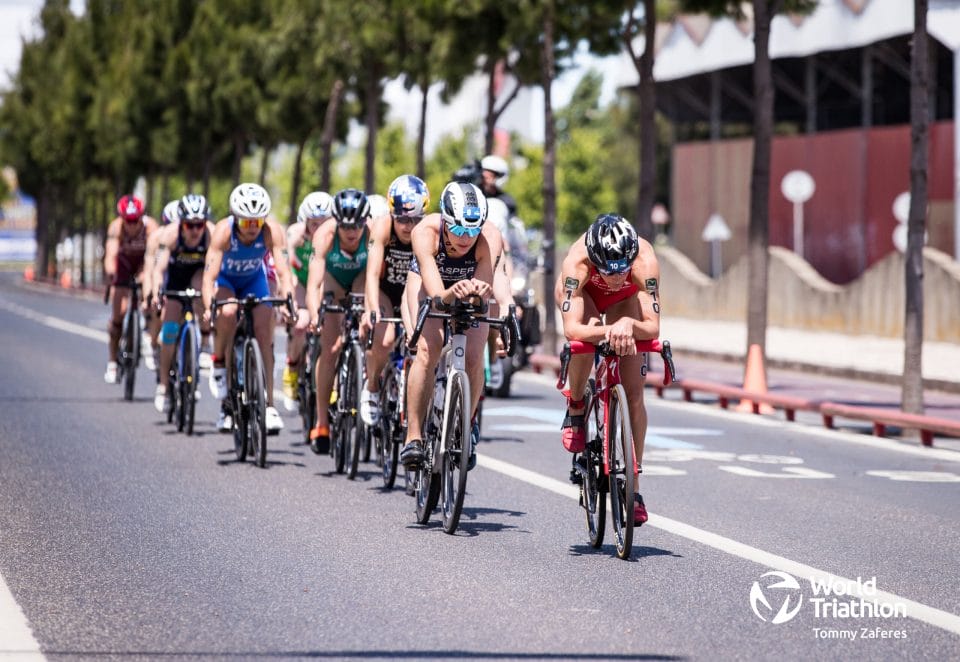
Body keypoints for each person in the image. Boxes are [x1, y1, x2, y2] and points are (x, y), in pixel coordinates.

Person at [554, 214, 660, 526]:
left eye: (621, 270)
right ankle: (575, 404)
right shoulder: (577, 263)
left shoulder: (645, 261)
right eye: (607, 270)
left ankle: (635, 489)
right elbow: (573, 329)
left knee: (635, 395)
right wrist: (609, 332)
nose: (614, 276)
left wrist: (628, 324)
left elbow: (652, 327)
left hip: (624, 303)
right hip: (585, 296)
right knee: (583, 342)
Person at [398, 181, 509, 471]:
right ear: (445, 222)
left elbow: (483, 291)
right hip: (429, 284)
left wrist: (480, 299)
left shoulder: (489, 237)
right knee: (427, 351)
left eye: (472, 231)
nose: (465, 238)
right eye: (458, 230)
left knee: (474, 356)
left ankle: (467, 424)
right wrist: (452, 291)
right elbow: (435, 296)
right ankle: (414, 437)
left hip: (466, 287)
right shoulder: (426, 232)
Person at [202, 183, 294, 434]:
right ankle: (219, 361)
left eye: (257, 222)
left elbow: (284, 272)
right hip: (227, 282)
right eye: (246, 223)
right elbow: (209, 277)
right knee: (228, 312)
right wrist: (211, 305)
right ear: (236, 219)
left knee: (266, 331)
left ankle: (269, 405)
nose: (253, 228)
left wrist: (287, 298)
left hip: (254, 280)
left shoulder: (271, 232)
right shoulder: (223, 232)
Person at [359, 174, 430, 425]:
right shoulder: (382, 227)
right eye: (401, 218)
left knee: (422, 342)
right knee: (386, 337)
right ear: (392, 214)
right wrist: (370, 310)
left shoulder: (427, 231)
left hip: (413, 289)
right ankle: (372, 386)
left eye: (414, 219)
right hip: (385, 289)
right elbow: (371, 274)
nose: (407, 226)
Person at [304, 188, 371, 454]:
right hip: (332, 284)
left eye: (357, 225)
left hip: (360, 280)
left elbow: (378, 273)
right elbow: (313, 285)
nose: (351, 232)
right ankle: (321, 422)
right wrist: (313, 313)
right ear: (337, 223)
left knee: (370, 330)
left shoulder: (373, 233)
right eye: (345, 226)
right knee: (329, 348)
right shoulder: (324, 236)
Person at [149, 194, 215, 413]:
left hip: (198, 275)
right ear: (181, 223)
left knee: (202, 297)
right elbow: (158, 270)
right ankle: (163, 386)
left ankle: (204, 343)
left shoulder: (211, 234)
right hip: (175, 279)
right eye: (190, 225)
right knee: (169, 331)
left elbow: (215, 271)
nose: (195, 230)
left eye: (199, 225)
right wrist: (158, 293)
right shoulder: (170, 235)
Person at [281, 191, 335, 410]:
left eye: (324, 223)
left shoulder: (333, 236)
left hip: (323, 282)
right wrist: (288, 298)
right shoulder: (294, 233)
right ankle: (292, 368)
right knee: (301, 324)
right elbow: (285, 267)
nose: (319, 229)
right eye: (314, 224)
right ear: (305, 221)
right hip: (301, 282)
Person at [103, 194, 159, 383]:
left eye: (136, 221)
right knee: (119, 314)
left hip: (143, 264)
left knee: (149, 296)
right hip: (124, 265)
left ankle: (149, 337)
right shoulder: (116, 227)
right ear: (122, 219)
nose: (133, 225)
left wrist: (149, 280)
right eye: (129, 221)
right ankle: (112, 362)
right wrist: (112, 275)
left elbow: (155, 255)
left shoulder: (151, 227)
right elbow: (111, 255)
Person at [141, 199, 182, 373]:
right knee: (159, 308)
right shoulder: (156, 238)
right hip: (160, 275)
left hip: (177, 275)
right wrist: (148, 296)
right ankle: (153, 340)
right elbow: (150, 270)